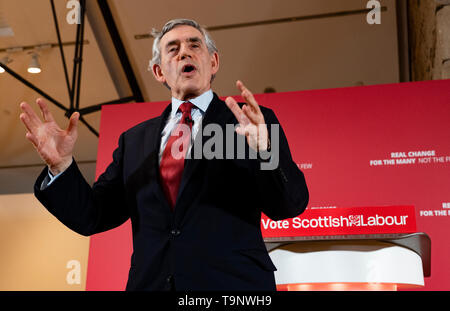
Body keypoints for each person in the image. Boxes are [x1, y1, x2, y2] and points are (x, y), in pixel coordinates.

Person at [19, 19, 309, 291]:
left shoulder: (251, 123)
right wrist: (61, 166)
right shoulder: (134, 141)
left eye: (195, 45)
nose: (185, 53)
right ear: (159, 71)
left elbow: (288, 206)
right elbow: (92, 216)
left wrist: (265, 151)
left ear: (213, 61)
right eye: (173, 49)